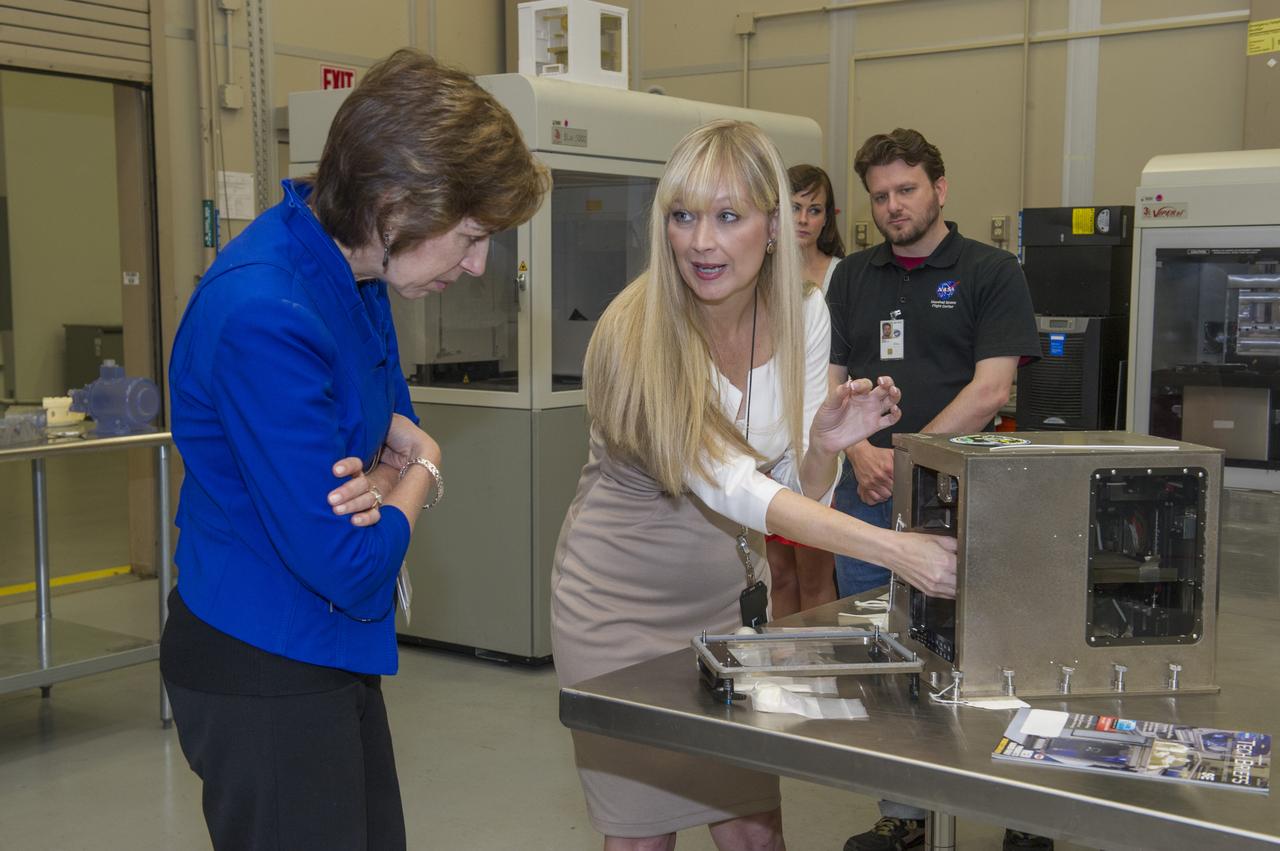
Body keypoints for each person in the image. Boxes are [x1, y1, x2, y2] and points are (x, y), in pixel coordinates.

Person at [160, 50, 549, 850]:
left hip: (328, 647)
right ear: (395, 201)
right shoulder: (265, 312)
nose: (478, 265)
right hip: (262, 661)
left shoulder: (357, 273)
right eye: (471, 237)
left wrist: (387, 469)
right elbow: (349, 559)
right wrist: (424, 470)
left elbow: (386, 413)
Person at [551, 119, 957, 851]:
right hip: (615, 612)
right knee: (642, 835)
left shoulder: (803, 311)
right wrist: (897, 548)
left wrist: (825, 445)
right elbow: (728, 483)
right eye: (683, 216)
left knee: (753, 828)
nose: (700, 242)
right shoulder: (632, 332)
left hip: (722, 601)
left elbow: (789, 484)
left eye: (728, 216)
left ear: (775, 225)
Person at [827, 128, 1043, 851]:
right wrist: (858, 451)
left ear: (939, 188)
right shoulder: (852, 275)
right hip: (866, 493)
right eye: (880, 195)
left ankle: (1029, 809)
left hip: (966, 496)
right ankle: (907, 812)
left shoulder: (990, 271)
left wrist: (908, 460)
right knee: (888, 658)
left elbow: (991, 387)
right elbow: (829, 385)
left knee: (995, 655)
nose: (893, 206)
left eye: (906, 189)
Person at [766, 163, 846, 617]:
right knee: (779, 574)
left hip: (817, 439)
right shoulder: (760, 275)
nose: (803, 219)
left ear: (826, 218)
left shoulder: (841, 275)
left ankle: (818, 672)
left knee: (816, 576)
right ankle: (782, 676)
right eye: (795, 207)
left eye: (814, 210)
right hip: (772, 438)